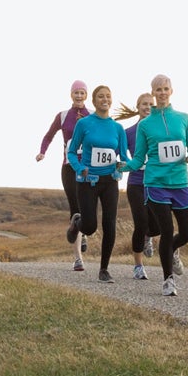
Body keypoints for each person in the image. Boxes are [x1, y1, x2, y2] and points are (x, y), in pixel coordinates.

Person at [123, 74, 188, 295]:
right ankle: (168, 281)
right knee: (167, 230)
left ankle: (172, 249)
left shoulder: (183, 118)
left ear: (171, 91)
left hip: (180, 182)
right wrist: (120, 167)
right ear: (153, 93)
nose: (162, 93)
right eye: (158, 90)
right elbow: (138, 159)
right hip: (155, 184)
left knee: (187, 233)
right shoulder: (145, 125)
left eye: (165, 89)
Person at [65, 85, 129, 282]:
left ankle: (104, 269)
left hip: (110, 181)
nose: (105, 100)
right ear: (94, 101)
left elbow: (124, 156)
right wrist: (78, 167)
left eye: (108, 97)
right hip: (87, 180)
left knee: (109, 224)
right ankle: (77, 222)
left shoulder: (117, 128)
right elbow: (71, 151)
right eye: (100, 97)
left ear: (111, 100)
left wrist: (122, 165)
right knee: (90, 227)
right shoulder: (84, 124)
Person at [36, 81, 91, 271]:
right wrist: (42, 152)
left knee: (88, 208)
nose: (79, 95)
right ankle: (78, 258)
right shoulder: (63, 116)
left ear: (86, 94)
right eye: (76, 92)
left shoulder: (92, 116)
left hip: (88, 168)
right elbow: (48, 136)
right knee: (75, 209)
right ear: (71, 94)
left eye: (82, 92)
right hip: (68, 168)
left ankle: (84, 233)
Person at [118, 91, 156, 280]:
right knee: (140, 223)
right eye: (144, 104)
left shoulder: (159, 129)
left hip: (157, 183)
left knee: (156, 226)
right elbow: (119, 152)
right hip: (136, 183)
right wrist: (123, 164)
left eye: (151, 104)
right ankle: (138, 266)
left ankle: (150, 236)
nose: (147, 107)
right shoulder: (129, 132)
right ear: (138, 107)